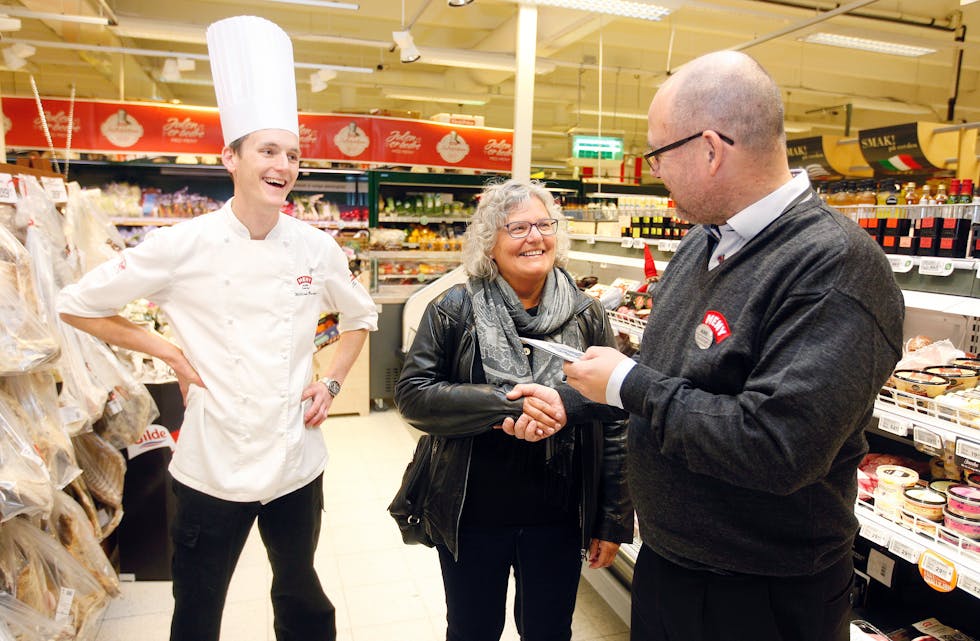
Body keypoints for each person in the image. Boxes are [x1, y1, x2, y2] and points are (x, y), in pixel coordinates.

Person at [548, 51, 904, 641]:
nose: (656, 172)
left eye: (659, 154)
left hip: (761, 595)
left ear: (710, 149)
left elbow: (777, 447)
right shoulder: (703, 242)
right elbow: (677, 381)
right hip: (671, 566)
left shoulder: (836, 267)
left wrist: (628, 383)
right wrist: (577, 399)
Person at [57, 16, 378, 641]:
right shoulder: (181, 245)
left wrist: (333, 382)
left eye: (292, 155)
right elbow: (75, 304)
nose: (283, 166)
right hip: (212, 465)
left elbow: (360, 317)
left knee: (301, 595)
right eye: (268, 151)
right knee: (198, 612)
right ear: (230, 157)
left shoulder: (315, 247)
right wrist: (167, 351)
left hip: (295, 460)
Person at [394, 179, 633, 641]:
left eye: (544, 225)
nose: (534, 237)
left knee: (549, 631)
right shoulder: (454, 309)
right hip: (471, 509)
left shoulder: (586, 313)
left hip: (559, 513)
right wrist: (509, 401)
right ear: (490, 242)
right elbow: (414, 394)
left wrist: (612, 518)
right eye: (517, 227)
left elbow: (615, 414)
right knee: (472, 630)